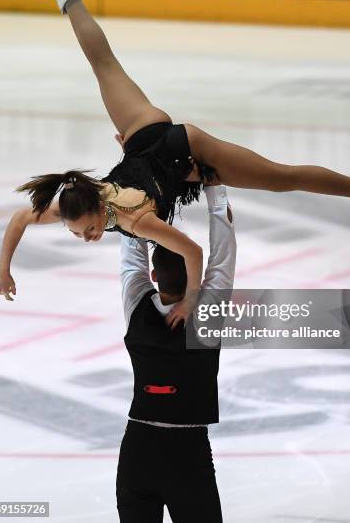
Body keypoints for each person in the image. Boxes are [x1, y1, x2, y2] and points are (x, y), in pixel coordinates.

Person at [0, 0, 350, 308]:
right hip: (142, 137)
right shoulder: (81, 202)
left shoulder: (134, 220)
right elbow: (18, 219)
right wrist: (2, 269)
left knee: (279, 177)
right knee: (102, 64)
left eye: (87, 229)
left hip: (182, 148)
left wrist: (189, 299)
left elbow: (191, 250)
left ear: (95, 208)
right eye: (79, 234)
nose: (87, 238)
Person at [116, 182, 236, 522]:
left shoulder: (137, 304)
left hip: (137, 450)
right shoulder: (207, 311)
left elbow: (131, 247)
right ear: (194, 278)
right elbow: (224, 246)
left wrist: (135, 183)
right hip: (187, 455)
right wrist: (214, 184)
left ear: (154, 276)